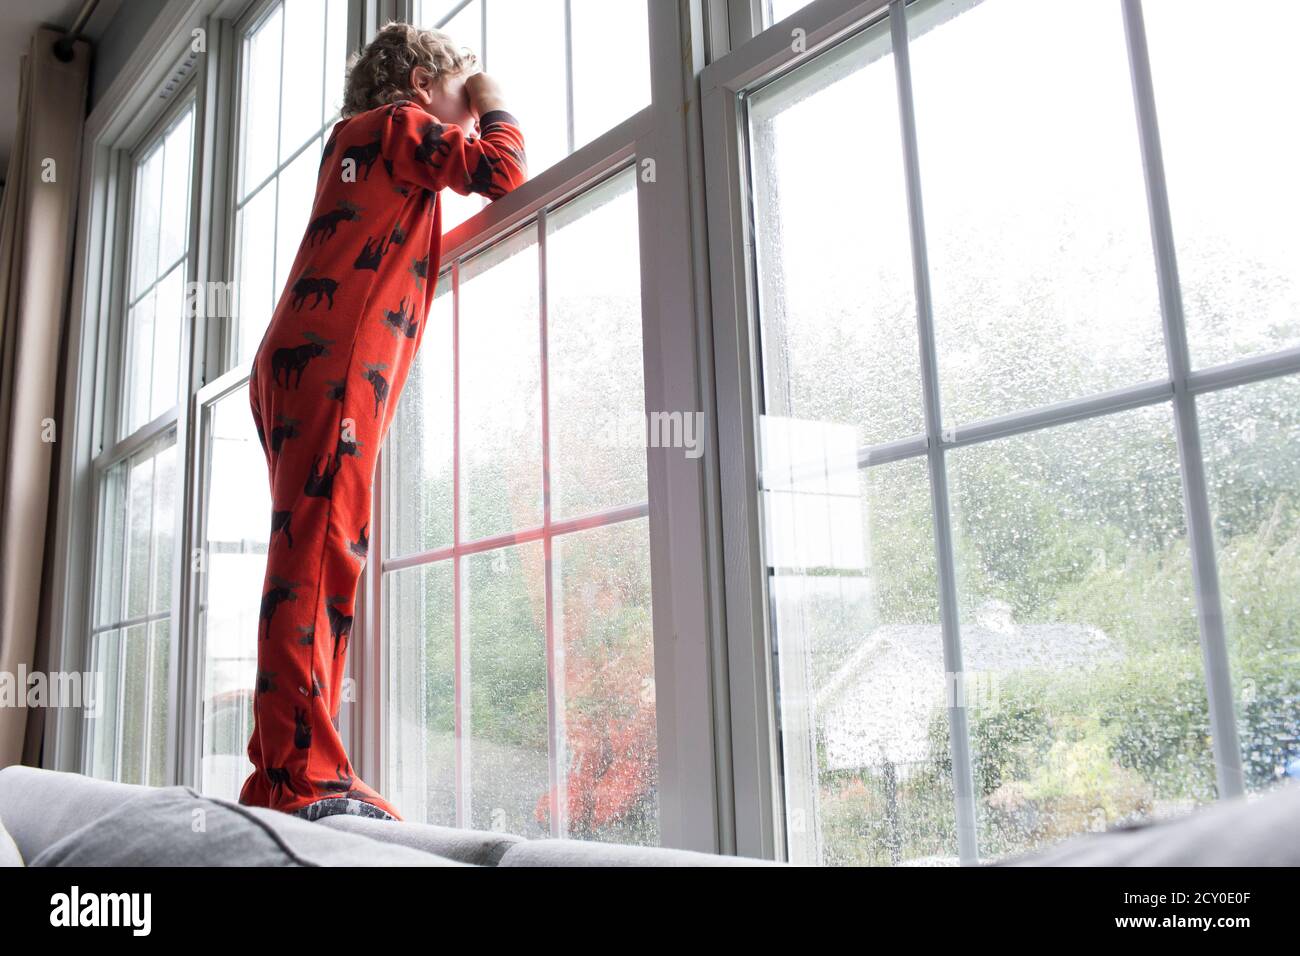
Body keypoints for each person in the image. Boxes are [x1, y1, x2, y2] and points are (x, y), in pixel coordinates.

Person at [239, 22, 527, 821]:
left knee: (312, 552)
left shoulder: (364, 143)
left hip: (299, 362)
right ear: (418, 84)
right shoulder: (400, 129)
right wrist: (491, 96)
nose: (464, 114)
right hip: (330, 366)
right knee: (316, 557)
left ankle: (285, 770)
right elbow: (502, 170)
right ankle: (304, 776)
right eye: (456, 95)